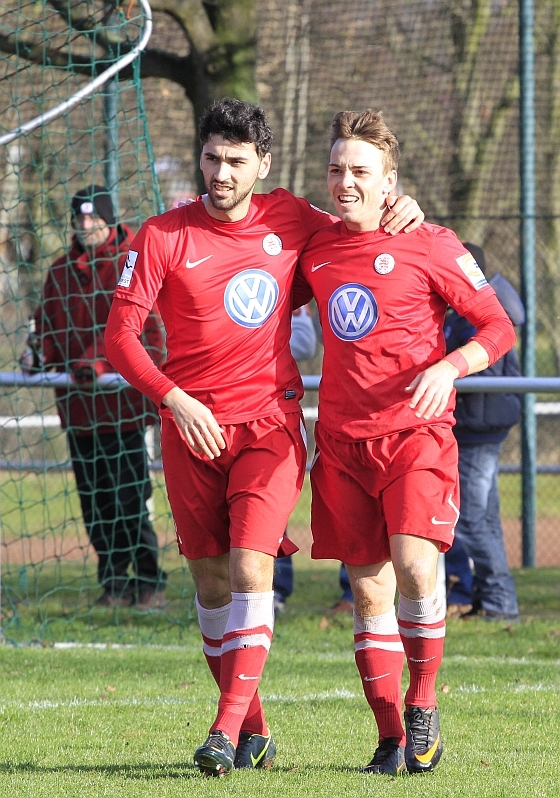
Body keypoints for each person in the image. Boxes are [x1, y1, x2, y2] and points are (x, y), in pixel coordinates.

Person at [104, 98, 424, 776]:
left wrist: (405, 206)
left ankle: (222, 732)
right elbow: (120, 338)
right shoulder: (161, 235)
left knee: (252, 568)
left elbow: (359, 225)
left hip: (269, 427)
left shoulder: (293, 220)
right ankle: (253, 729)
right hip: (189, 429)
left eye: (236, 161)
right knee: (211, 585)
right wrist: (174, 398)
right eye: (211, 158)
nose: (221, 173)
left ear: (264, 166)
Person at [295, 109, 516, 775]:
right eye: (337, 169)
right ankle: (391, 737)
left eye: (361, 171)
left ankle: (423, 701)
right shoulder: (315, 246)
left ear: (390, 182)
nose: (346, 182)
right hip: (342, 445)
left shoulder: (431, 242)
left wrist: (449, 367)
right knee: (368, 595)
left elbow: (498, 326)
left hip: (416, 437)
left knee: (417, 569)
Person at [21, 186, 168, 610]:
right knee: (94, 502)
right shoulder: (60, 272)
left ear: (108, 219)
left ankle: (149, 580)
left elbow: (148, 335)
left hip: (123, 411)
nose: (85, 225)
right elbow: (47, 327)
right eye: (79, 219)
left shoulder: (131, 262)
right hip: (79, 411)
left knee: (129, 498)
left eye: (93, 218)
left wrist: (98, 363)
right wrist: (38, 355)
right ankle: (114, 583)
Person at [444, 242, 524, 621]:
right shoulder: (466, 312)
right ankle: (493, 599)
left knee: (472, 519)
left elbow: (484, 369)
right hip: (478, 426)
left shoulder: (478, 315)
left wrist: (444, 370)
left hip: (478, 428)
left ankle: (499, 602)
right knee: (484, 518)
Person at [273, 306, 318, 613]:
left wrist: (246, 343)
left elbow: (305, 342)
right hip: (214, 410)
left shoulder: (285, 280)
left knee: (267, 514)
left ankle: (275, 590)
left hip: (270, 415)